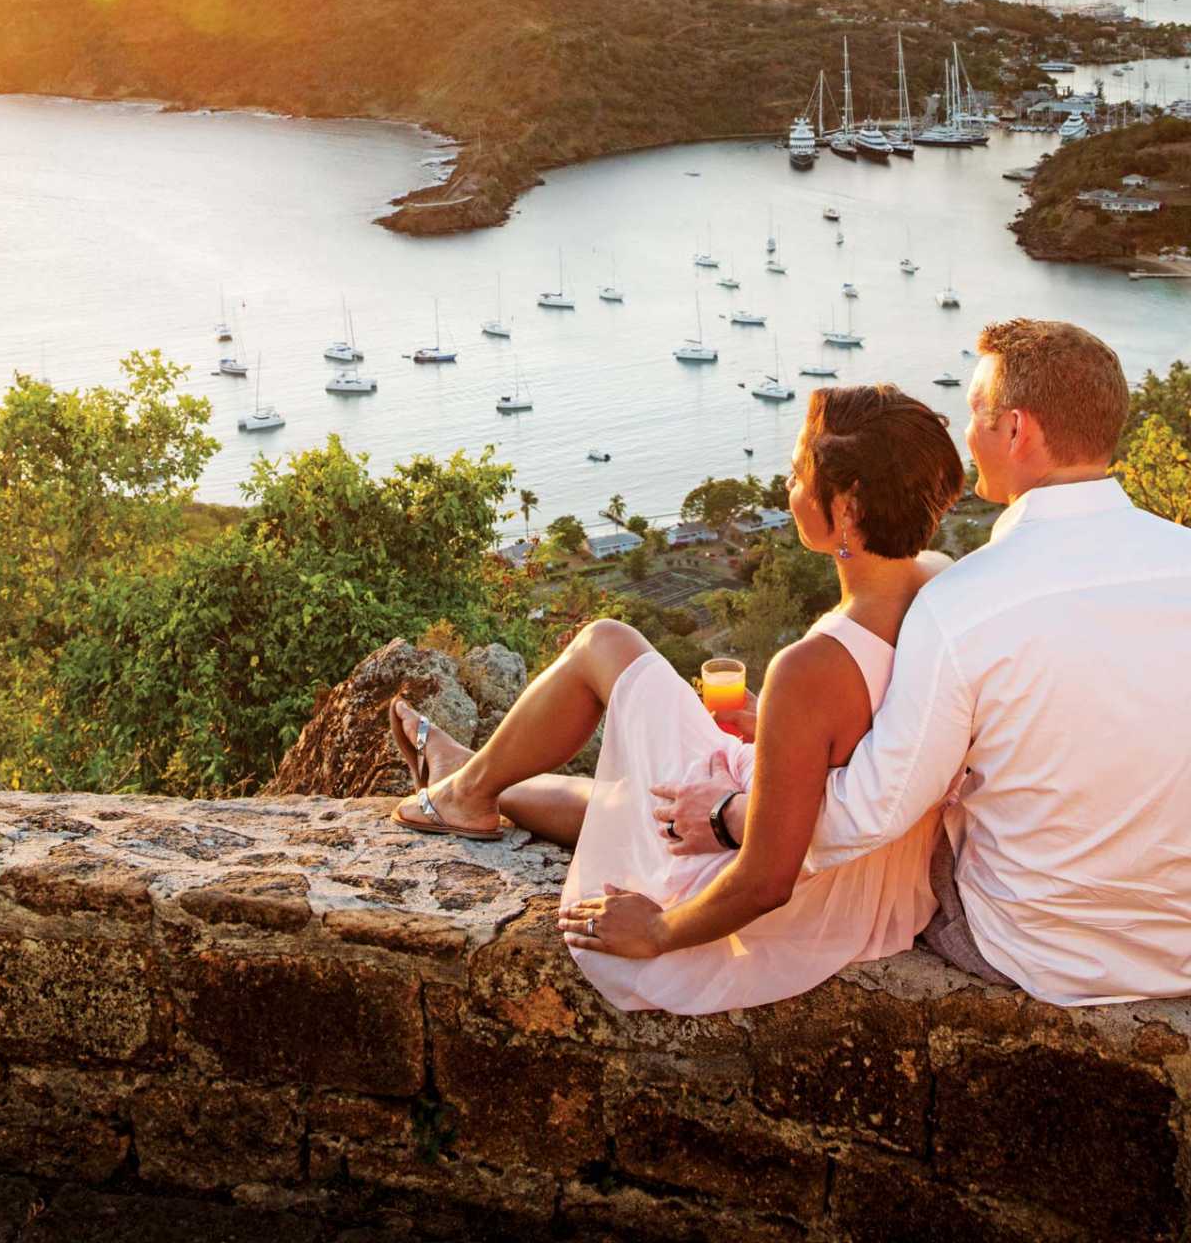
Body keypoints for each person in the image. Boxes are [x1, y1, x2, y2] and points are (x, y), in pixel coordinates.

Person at [391, 383, 966, 1014]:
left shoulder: (811, 668)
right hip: (875, 889)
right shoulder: (939, 580)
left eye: (800, 472)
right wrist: (771, 725)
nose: (789, 486)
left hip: (794, 895)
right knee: (632, 805)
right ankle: (473, 776)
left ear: (849, 507)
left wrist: (659, 931)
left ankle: (464, 792)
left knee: (605, 643)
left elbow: (767, 882)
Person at [792, 317, 1191, 1006]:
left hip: (1040, 951)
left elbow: (867, 816)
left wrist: (737, 812)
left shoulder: (963, 602)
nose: (968, 435)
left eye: (977, 416)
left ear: (1016, 431)